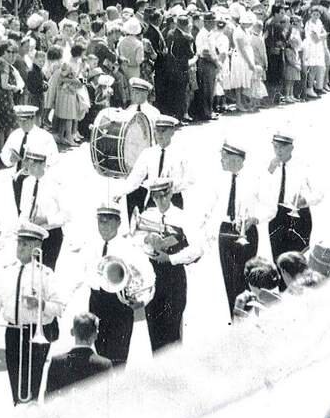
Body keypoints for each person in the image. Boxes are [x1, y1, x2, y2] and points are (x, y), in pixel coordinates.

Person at [0, 221, 64, 404]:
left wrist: (41, 305)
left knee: (31, 386)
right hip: (14, 332)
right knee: (16, 385)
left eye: (26, 243)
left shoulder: (46, 274)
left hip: (37, 333)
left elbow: (59, 307)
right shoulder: (7, 272)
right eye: (19, 242)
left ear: (37, 247)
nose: (21, 247)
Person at [135, 177, 201, 350]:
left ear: (171, 193)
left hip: (174, 275)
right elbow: (134, 242)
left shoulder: (183, 216)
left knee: (172, 330)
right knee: (153, 328)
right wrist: (147, 240)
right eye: (156, 197)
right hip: (152, 275)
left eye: (164, 195)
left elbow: (198, 248)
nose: (161, 200)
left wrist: (171, 259)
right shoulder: (147, 215)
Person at [83, 205, 153, 366]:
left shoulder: (129, 247)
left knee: (118, 358)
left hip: (118, 306)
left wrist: (142, 299)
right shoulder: (91, 246)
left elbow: (149, 275)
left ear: (119, 223)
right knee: (100, 357)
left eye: (108, 222)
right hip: (96, 303)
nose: (104, 227)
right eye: (101, 222)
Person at [208, 141, 262, 320]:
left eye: (224, 157)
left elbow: (270, 206)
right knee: (229, 280)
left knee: (243, 279)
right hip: (225, 231)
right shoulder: (218, 179)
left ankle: (245, 320)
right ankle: (235, 318)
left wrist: (255, 218)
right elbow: (207, 207)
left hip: (246, 231)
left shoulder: (254, 179)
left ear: (235, 159)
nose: (221, 161)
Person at [261, 131, 317, 262]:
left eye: (282, 147)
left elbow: (319, 192)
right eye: (275, 147)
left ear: (291, 148)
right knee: (278, 260)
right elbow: (261, 192)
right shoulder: (270, 167)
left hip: (299, 215)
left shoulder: (303, 166)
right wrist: (269, 172)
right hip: (277, 215)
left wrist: (306, 200)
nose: (278, 151)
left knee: (296, 260)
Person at [16, 146, 69, 270]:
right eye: (28, 163)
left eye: (34, 164)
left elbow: (66, 215)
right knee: (29, 273)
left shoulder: (55, 183)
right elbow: (24, 210)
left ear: (43, 164)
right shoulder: (26, 182)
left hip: (50, 235)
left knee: (45, 274)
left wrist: (46, 219)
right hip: (31, 235)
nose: (30, 167)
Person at [45, 313, 112, 395]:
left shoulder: (57, 362)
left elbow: (49, 398)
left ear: (72, 332)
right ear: (96, 335)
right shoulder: (104, 365)